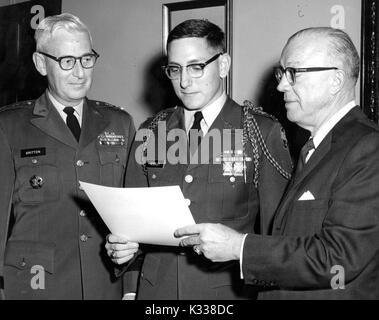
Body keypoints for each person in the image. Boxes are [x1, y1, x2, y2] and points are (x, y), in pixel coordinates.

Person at [175, 27, 379, 300]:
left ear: (336, 80)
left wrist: (239, 247)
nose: (282, 85)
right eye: (281, 73)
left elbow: (338, 262)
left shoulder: (366, 147)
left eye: (293, 73)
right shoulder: (316, 148)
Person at [106, 19, 292, 300]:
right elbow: (130, 228)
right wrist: (126, 269)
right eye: (175, 69)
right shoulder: (151, 131)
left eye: (196, 67)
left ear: (224, 65)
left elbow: (277, 237)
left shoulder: (259, 131)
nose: (184, 81)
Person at [0, 13, 135, 300]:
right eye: (67, 61)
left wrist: (131, 287)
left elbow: (133, 217)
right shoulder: (9, 126)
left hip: (104, 286)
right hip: (36, 287)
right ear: (40, 63)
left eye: (86, 59)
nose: (80, 72)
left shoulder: (119, 123)